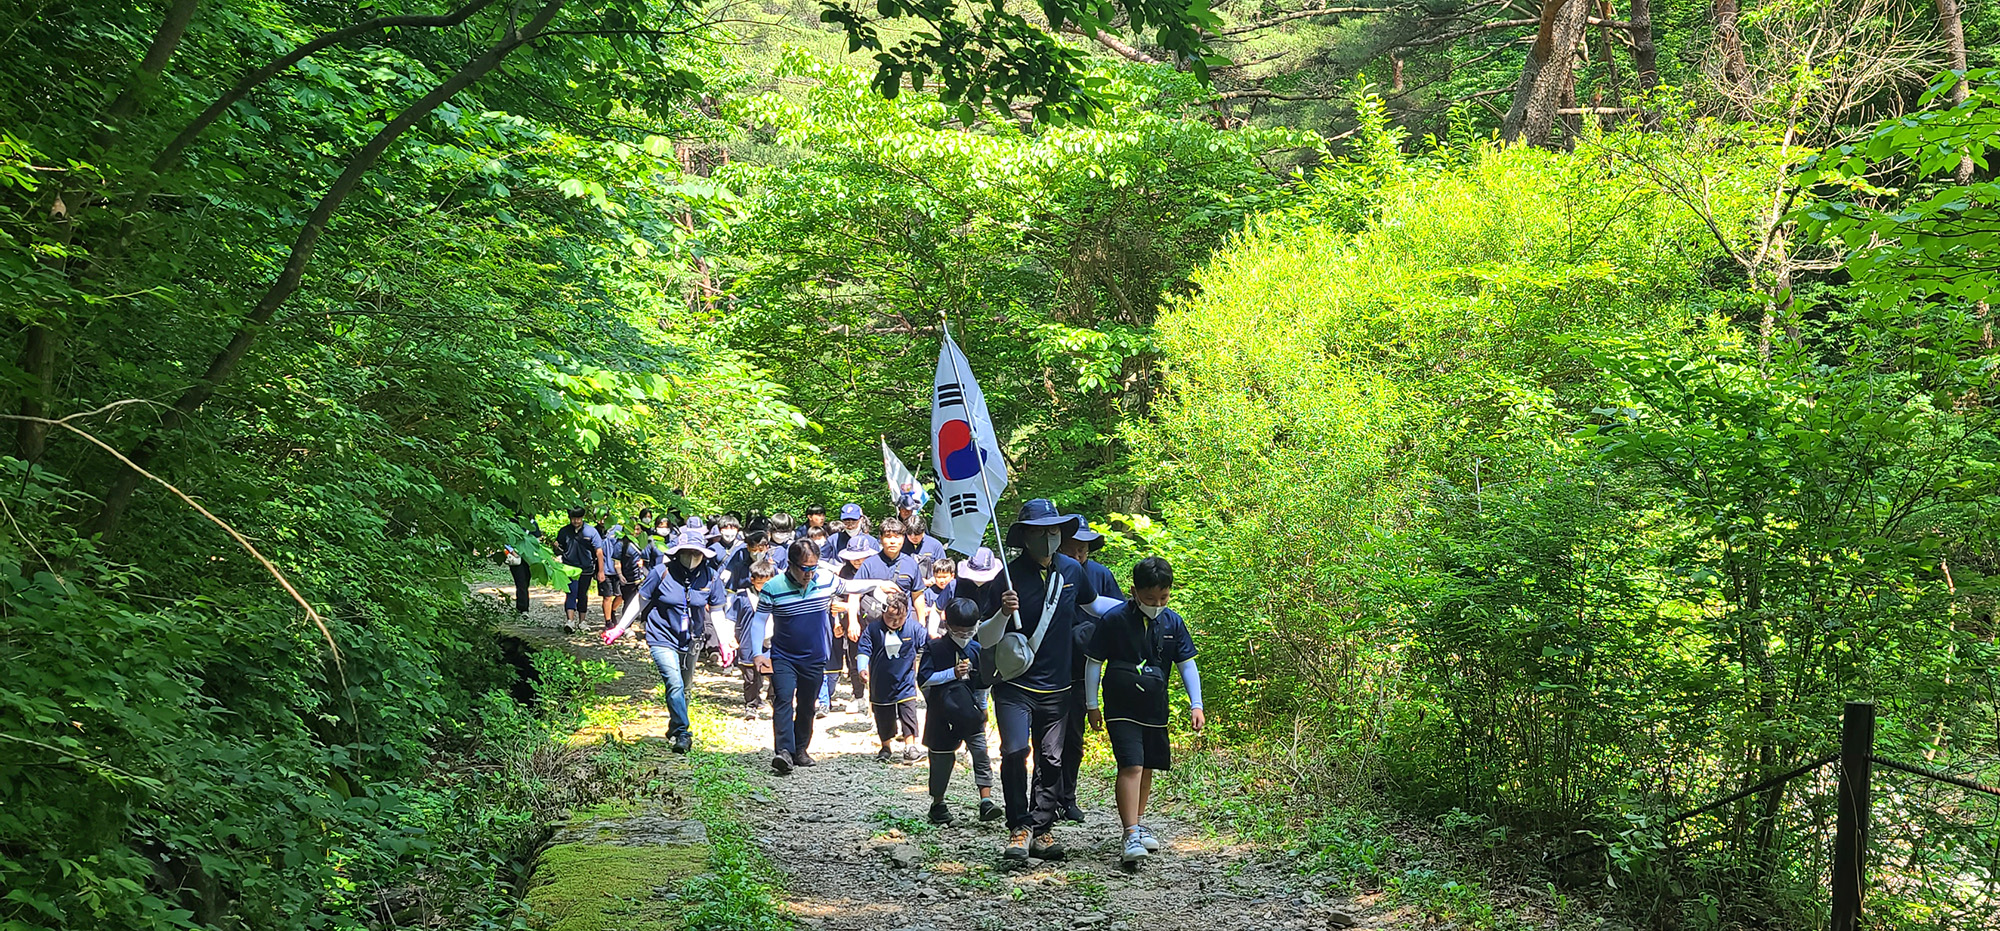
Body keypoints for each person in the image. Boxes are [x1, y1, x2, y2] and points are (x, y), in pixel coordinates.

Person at [979, 499, 1101, 862]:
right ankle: (1019, 826)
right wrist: (1003, 612)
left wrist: (1139, 608)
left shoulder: (1073, 572)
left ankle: (1043, 828)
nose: (1047, 539)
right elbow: (984, 637)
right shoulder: (1008, 576)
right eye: (1038, 532)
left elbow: (1096, 608)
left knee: (1053, 759)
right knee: (1015, 752)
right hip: (1014, 684)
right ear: (1024, 537)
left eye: (1053, 531)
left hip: (1059, 686)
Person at [1085, 556, 1203, 866]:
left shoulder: (1173, 622)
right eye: (1150, 598)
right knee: (1131, 765)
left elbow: (1186, 663)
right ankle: (1130, 832)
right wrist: (1092, 704)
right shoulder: (1114, 620)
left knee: (1147, 765)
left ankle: (1137, 821)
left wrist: (1196, 703)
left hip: (1154, 706)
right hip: (1120, 705)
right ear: (1134, 591)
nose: (1157, 603)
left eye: (1163, 597)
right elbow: (1094, 662)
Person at [604, 528, 727, 754]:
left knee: (685, 688)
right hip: (661, 636)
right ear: (677, 553)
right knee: (675, 682)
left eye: (697, 553)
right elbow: (640, 601)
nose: (692, 558)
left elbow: (718, 612)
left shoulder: (712, 577)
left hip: (692, 639)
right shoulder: (661, 572)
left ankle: (674, 726)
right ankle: (683, 733)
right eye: (686, 552)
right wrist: (620, 627)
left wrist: (725, 643)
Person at [1056, 516, 1123, 823]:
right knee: (1046, 739)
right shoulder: (1052, 570)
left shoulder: (1100, 575)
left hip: (1084, 669)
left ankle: (1068, 797)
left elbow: (1117, 614)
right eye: (1073, 548)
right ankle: (1046, 797)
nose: (1079, 555)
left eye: (1084, 549)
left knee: (1073, 737)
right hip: (1052, 668)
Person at [754, 539, 840, 775]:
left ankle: (800, 749)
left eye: (813, 567)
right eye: (804, 567)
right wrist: (758, 653)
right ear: (791, 564)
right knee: (782, 698)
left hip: (814, 657)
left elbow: (851, 586)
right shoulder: (773, 587)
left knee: (807, 704)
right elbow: (759, 620)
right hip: (783, 655)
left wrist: (881, 583)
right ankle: (783, 751)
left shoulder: (826, 580)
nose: (809, 573)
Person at [922, 597, 1002, 825]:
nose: (964, 636)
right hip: (941, 714)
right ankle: (938, 803)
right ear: (947, 626)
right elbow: (925, 680)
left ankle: (986, 801)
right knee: (941, 760)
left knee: (981, 753)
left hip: (971, 712)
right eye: (959, 631)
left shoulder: (978, 649)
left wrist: (983, 709)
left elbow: (983, 684)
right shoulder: (935, 648)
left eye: (969, 631)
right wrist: (952, 674)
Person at [858, 589, 927, 763]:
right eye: (891, 618)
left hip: (906, 681)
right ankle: (886, 746)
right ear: (883, 613)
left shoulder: (913, 628)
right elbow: (864, 649)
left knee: (908, 712)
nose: (895, 622)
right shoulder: (874, 629)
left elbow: (928, 646)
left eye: (900, 618)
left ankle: (910, 746)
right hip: (880, 682)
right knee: (883, 715)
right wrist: (861, 668)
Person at [824, 535, 878, 716]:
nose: (857, 561)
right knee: (854, 659)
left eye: (861, 556)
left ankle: (876, 696)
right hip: (850, 624)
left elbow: (873, 600)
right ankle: (858, 695)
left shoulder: (875, 570)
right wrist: (837, 621)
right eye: (854, 557)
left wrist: (849, 607)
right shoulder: (845, 572)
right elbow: (836, 599)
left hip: (871, 622)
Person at [731, 558, 778, 720]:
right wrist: (730, 637)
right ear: (752, 580)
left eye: (769, 582)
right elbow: (731, 618)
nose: (765, 587)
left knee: (775, 674)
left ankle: (773, 698)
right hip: (748, 643)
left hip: (772, 643)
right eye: (761, 583)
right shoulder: (743, 597)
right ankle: (751, 704)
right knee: (751, 677)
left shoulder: (779, 596)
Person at [554, 507, 606, 630]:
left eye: (578, 518)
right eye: (573, 518)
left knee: (582, 594)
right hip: (569, 568)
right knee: (571, 592)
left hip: (586, 568)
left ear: (582, 518)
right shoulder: (564, 531)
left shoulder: (591, 531)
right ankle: (570, 621)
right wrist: (555, 547)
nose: (576, 521)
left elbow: (599, 551)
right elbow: (558, 549)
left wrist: (601, 570)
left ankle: (582, 621)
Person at [604, 525, 648, 631]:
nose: (636, 532)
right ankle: (627, 627)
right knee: (628, 602)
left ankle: (645, 623)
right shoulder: (621, 544)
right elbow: (617, 562)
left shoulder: (643, 542)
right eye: (634, 529)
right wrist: (620, 575)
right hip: (628, 578)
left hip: (642, 577)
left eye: (638, 529)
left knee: (646, 601)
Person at [507, 514, 542, 616]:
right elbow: (505, 541)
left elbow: (537, 541)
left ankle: (522, 607)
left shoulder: (533, 524)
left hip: (529, 558)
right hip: (517, 558)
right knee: (521, 582)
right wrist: (512, 552)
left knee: (525, 582)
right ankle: (523, 609)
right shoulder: (512, 523)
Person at [919, 559, 957, 636]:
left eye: (945, 577)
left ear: (952, 576)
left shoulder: (956, 591)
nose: (942, 580)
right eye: (939, 577)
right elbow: (922, 611)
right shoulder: (928, 593)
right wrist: (932, 611)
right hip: (933, 630)